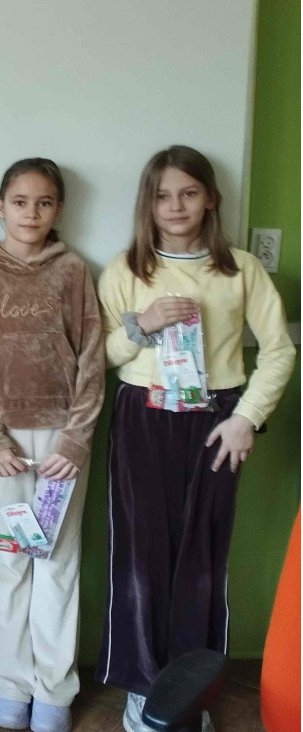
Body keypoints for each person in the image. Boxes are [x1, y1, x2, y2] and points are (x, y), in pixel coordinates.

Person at [93, 146, 295, 732]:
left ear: (210, 198)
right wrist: (143, 325)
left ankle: (189, 690)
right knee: (141, 557)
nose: (175, 206)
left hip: (217, 422)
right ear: (147, 204)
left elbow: (279, 350)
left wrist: (247, 417)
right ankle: (144, 689)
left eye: (188, 193)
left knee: (202, 558)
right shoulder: (126, 270)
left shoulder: (241, 270)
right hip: (143, 417)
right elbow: (99, 355)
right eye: (162, 195)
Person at [0, 157, 104, 732]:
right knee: (11, 559)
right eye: (19, 202)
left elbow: (91, 362)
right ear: (1, 206)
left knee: (58, 564)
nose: (31, 213)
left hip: (62, 441)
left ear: (58, 209)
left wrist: (76, 440)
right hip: (4, 445)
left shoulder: (74, 271)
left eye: (44, 203)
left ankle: (54, 692)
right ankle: (11, 685)